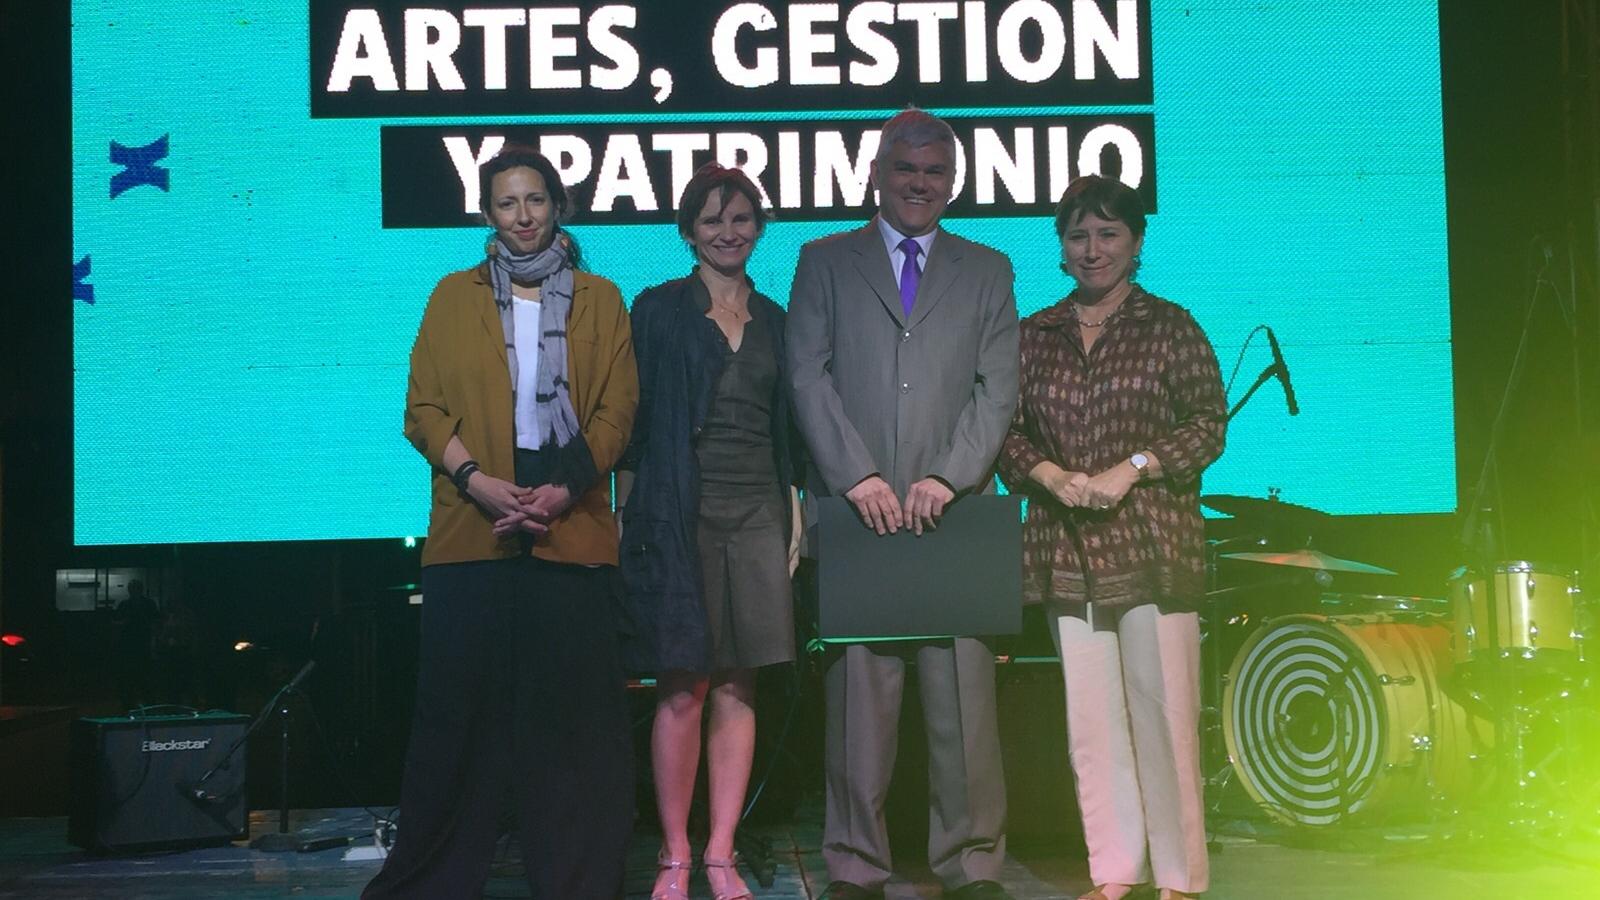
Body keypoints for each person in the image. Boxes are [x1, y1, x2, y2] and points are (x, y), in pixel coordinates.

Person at [363, 144, 638, 900]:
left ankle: (579, 881)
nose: (524, 216)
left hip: (570, 526)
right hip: (470, 530)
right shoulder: (450, 296)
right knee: (457, 730)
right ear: (488, 214)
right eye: (508, 203)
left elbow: (618, 413)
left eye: (537, 200)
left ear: (558, 207)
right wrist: (476, 482)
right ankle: (433, 882)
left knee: (575, 731)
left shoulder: (602, 298)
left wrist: (561, 489)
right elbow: (421, 409)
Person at [787, 109, 1021, 900]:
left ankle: (974, 862)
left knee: (965, 706)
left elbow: (998, 391)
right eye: (906, 169)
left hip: (952, 515)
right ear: (877, 174)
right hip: (861, 517)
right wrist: (856, 476)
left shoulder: (988, 269)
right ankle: (855, 864)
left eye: (935, 173)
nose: (920, 184)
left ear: (950, 182)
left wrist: (948, 477)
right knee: (859, 704)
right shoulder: (823, 260)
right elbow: (805, 376)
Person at [998, 175, 1226, 900]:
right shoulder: (1033, 336)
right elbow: (1004, 431)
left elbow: (1206, 426)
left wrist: (1135, 467)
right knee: (1090, 729)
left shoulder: (1170, 325)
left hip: (1154, 549)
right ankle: (1114, 872)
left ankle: (1181, 879)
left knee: (1164, 720)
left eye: (1108, 234)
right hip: (1067, 551)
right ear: (1060, 248)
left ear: (1135, 243)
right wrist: (1047, 473)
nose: (1092, 250)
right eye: (1077, 236)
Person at [619, 163, 802, 900]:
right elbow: (631, 429)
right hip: (678, 510)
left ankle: (721, 852)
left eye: (741, 218)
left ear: (759, 228)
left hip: (758, 508)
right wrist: (631, 519)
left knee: (738, 683)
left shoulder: (779, 318)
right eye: (712, 219)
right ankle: (674, 852)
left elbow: (789, 432)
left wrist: (795, 515)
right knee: (682, 686)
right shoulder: (659, 309)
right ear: (688, 231)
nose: (728, 232)